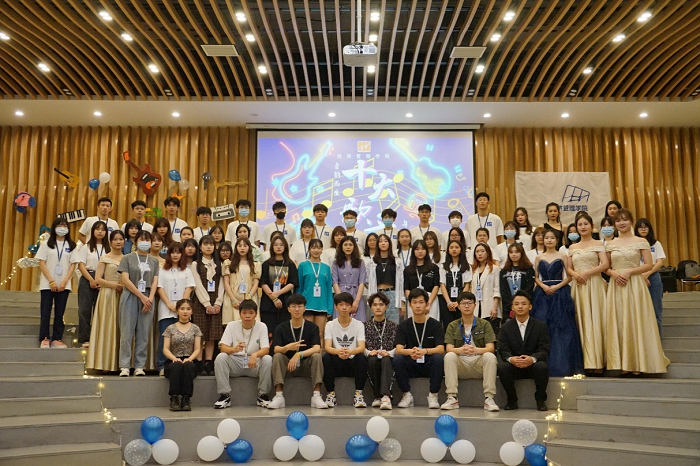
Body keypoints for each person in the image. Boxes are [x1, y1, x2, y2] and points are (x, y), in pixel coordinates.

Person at [605, 209, 669, 375]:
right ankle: (624, 364)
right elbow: (606, 267)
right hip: (617, 285)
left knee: (636, 320)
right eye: (618, 220)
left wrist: (630, 272)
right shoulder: (610, 243)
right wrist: (614, 274)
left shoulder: (641, 241)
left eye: (625, 219)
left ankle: (639, 363)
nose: (622, 223)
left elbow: (648, 264)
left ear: (631, 221)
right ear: (615, 224)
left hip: (635, 284)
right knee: (620, 321)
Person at [532, 230, 584, 377]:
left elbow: (569, 277)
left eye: (552, 238)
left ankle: (561, 364)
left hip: (560, 293)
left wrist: (556, 287)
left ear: (557, 240)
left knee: (561, 328)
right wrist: (543, 286)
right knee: (543, 327)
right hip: (542, 294)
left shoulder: (563, 256)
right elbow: (536, 277)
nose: (549, 240)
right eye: (546, 238)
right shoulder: (538, 257)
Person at [267, 294, 328, 409]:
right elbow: (276, 349)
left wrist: (299, 354)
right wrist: (287, 348)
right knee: (277, 356)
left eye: (300, 306)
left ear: (304, 308)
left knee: (317, 356)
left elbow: (317, 348)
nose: (297, 309)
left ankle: (316, 395)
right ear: (288, 309)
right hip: (288, 365)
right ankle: (279, 396)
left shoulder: (312, 327)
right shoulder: (281, 327)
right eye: (293, 306)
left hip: (306, 364)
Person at [442, 291, 499, 411]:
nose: (467, 306)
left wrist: (476, 350)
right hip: (461, 364)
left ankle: (489, 398)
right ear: (458, 306)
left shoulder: (484, 324)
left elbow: (491, 348)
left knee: (490, 356)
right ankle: (452, 398)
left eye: (469, 303)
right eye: (463, 303)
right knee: (449, 356)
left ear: (475, 305)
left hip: (478, 364)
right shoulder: (452, 325)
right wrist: (461, 350)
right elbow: (448, 348)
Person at [566, 213, 609, 374]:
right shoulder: (573, 247)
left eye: (586, 224)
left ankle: (598, 362)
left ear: (592, 226)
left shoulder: (598, 243)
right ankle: (585, 361)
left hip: (595, 285)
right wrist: (576, 274)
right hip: (578, 286)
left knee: (596, 320)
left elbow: (605, 264)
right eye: (580, 224)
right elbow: (569, 268)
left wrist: (587, 273)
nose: (583, 227)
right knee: (581, 320)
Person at [214, 300, 272, 408]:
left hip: (253, 363)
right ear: (240, 314)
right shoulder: (231, 325)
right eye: (244, 312)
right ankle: (224, 395)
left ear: (256, 314)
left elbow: (266, 349)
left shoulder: (262, 326)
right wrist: (233, 349)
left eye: (251, 313)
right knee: (221, 357)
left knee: (267, 359)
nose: (247, 316)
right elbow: (223, 347)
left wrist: (255, 355)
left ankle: (263, 395)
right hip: (236, 362)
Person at [498, 291, 550, 411]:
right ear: (512, 307)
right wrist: (511, 359)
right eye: (516, 304)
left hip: (533, 365)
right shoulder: (506, 327)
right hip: (514, 365)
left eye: (523, 304)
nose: (520, 307)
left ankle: (540, 400)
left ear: (530, 306)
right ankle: (512, 400)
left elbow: (545, 349)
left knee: (542, 367)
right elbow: (503, 349)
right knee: (502, 367)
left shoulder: (540, 326)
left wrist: (532, 359)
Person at [393, 288, 445, 408]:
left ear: (427, 304)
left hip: (428, 362)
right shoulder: (404, 325)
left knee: (438, 358)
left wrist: (424, 351)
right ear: (410, 305)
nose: (417, 305)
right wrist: (411, 352)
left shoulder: (436, 325)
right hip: (412, 362)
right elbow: (399, 349)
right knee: (398, 359)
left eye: (421, 302)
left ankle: (433, 395)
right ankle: (407, 395)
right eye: (414, 302)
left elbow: (441, 349)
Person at [118, 230, 160, 377]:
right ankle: (124, 366)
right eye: (142, 239)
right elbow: (125, 280)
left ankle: (139, 366)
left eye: (148, 240)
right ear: (136, 241)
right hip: (131, 294)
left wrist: (150, 298)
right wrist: (141, 296)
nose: (145, 242)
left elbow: (155, 281)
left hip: (148, 297)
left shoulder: (154, 260)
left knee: (143, 333)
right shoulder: (127, 258)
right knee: (127, 332)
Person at [37, 218, 77, 348]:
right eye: (59, 225)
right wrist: (51, 281)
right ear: (54, 227)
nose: (62, 228)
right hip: (47, 284)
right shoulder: (46, 244)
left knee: (60, 313)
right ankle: (44, 338)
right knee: (45, 311)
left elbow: (73, 265)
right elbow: (42, 263)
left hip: (64, 285)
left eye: (65, 225)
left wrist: (64, 282)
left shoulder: (71, 245)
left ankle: (57, 338)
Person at [88, 230, 125, 371]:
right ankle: (104, 364)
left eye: (121, 239)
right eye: (115, 239)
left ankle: (121, 363)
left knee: (121, 327)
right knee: (107, 327)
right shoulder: (104, 258)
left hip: (123, 295)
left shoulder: (127, 258)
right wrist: (114, 286)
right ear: (110, 241)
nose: (118, 242)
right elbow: (98, 279)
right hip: (108, 295)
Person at [323, 292, 368, 408]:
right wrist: (337, 352)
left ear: (351, 306)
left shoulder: (358, 324)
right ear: (335, 307)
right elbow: (327, 347)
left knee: (361, 357)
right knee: (326, 357)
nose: (344, 308)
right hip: (337, 361)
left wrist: (350, 352)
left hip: (352, 362)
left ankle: (358, 395)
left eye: (347, 305)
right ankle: (331, 394)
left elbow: (362, 347)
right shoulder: (330, 324)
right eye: (341, 304)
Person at [156, 242, 195, 374]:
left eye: (178, 252)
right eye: (173, 252)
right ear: (168, 254)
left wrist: (181, 307)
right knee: (165, 338)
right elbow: (160, 288)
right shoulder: (162, 270)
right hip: (165, 309)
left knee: (183, 338)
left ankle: (183, 364)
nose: (175, 255)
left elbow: (189, 288)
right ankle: (162, 366)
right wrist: (169, 304)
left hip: (183, 311)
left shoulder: (187, 271)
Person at [191, 235, 224, 376]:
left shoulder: (219, 264)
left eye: (211, 244)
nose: (208, 247)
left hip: (216, 303)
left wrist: (218, 303)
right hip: (200, 302)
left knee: (212, 334)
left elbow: (222, 284)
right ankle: (199, 362)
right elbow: (197, 285)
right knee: (200, 333)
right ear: (200, 247)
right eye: (205, 244)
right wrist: (206, 304)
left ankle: (209, 362)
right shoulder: (195, 264)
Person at [73, 220, 110, 348]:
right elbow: (81, 265)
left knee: (101, 311)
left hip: (104, 280)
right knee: (84, 310)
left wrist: (101, 281)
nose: (100, 232)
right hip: (87, 278)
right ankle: (85, 339)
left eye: (103, 230)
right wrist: (91, 280)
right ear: (92, 231)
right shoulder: (86, 247)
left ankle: (99, 339)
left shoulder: (108, 248)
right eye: (97, 229)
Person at [162, 299, 202, 411]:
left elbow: (197, 349)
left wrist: (190, 358)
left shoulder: (195, 328)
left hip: (190, 360)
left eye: (188, 309)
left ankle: (186, 399)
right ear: (177, 310)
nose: (185, 311)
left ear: (192, 311)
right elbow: (165, 349)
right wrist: (174, 358)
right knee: (177, 366)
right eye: (182, 309)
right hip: (173, 360)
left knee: (188, 366)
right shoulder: (170, 328)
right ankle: (174, 398)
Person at [260, 236, 299, 339]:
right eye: (276, 244)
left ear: (285, 247)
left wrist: (278, 293)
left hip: (285, 302)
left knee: (284, 332)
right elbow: (263, 283)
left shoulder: (290, 264)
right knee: (269, 332)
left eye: (281, 245)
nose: (278, 247)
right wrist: (274, 298)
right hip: (268, 303)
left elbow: (293, 283)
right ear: (272, 247)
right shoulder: (266, 264)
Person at [364, 292, 398, 409]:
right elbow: (360, 345)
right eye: (375, 305)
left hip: (388, 357)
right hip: (371, 357)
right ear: (370, 307)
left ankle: (385, 396)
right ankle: (377, 397)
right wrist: (369, 352)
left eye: (381, 304)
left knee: (386, 360)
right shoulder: (364, 326)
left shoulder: (394, 326)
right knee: (372, 360)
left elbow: (399, 346)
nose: (378, 307)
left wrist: (390, 353)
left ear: (386, 306)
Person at [298, 239, 333, 342]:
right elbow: (299, 287)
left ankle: (319, 353)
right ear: (309, 249)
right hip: (307, 305)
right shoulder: (303, 265)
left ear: (322, 250)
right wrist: (299, 305)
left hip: (322, 306)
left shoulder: (326, 267)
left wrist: (330, 308)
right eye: (313, 248)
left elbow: (328, 289)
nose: (316, 250)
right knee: (307, 334)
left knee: (320, 334)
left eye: (318, 248)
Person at [635, 218, 665, 335]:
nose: (643, 229)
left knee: (656, 309)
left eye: (645, 227)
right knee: (639, 311)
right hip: (637, 278)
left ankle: (658, 338)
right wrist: (641, 275)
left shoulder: (656, 244)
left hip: (653, 277)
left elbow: (659, 262)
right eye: (640, 227)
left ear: (649, 229)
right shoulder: (633, 244)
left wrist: (647, 274)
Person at [222, 238, 261, 324]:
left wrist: (248, 298)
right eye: (239, 246)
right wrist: (233, 300)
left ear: (249, 247)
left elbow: (256, 283)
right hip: (232, 297)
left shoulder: (255, 265)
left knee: (250, 324)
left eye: (245, 246)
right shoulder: (228, 263)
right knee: (233, 325)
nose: (242, 248)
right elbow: (226, 283)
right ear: (236, 247)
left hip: (249, 296)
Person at [366, 234, 402, 324]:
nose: (383, 243)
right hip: (377, 294)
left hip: (392, 294)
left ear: (389, 243)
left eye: (385, 241)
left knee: (393, 324)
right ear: (377, 244)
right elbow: (367, 280)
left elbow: (401, 281)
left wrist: (402, 301)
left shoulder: (396, 261)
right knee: (377, 323)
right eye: (380, 241)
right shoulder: (372, 261)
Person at [439, 240, 472, 331]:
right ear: (448, 250)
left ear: (461, 250)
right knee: (448, 327)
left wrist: (459, 302)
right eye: (451, 247)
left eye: (456, 247)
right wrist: (449, 302)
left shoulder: (467, 266)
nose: (454, 249)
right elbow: (442, 285)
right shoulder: (443, 266)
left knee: (461, 327)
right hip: (446, 301)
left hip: (462, 302)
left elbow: (467, 285)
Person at [403, 239, 440, 320]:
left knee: (431, 323)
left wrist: (428, 303)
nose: (420, 251)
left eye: (423, 249)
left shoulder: (433, 267)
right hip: (414, 300)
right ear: (413, 251)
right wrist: (413, 302)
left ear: (426, 251)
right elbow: (406, 288)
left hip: (430, 300)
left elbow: (436, 286)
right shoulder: (408, 269)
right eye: (417, 249)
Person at [332, 236, 367, 321]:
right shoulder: (336, 263)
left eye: (350, 245)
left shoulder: (360, 262)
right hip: (341, 293)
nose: (348, 247)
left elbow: (362, 282)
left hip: (356, 294)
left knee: (358, 323)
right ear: (341, 247)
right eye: (345, 245)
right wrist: (340, 300)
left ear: (354, 247)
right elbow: (335, 282)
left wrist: (356, 301)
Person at [470, 242, 502, 335]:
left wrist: (494, 307)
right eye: (477, 252)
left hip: (491, 306)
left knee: (491, 335)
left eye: (482, 251)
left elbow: (497, 289)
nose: (479, 254)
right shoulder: (474, 270)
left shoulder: (494, 269)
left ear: (488, 253)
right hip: (477, 307)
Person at [499, 243, 535, 322]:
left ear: (522, 253)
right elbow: (503, 291)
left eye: (516, 252)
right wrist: (512, 306)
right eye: (511, 252)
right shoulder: (504, 271)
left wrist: (520, 304)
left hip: (524, 307)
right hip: (509, 309)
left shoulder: (529, 269)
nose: (514, 254)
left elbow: (529, 288)